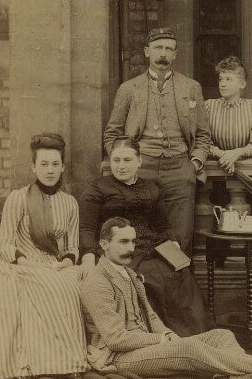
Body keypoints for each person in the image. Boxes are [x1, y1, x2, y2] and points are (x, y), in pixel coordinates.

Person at [81, 217, 252, 379]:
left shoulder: (128, 273)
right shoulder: (97, 283)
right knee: (191, 348)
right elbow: (116, 340)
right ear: (104, 244)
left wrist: (168, 335)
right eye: (123, 242)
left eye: (133, 241)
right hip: (120, 358)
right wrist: (161, 340)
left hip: (145, 346)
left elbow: (152, 316)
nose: (131, 247)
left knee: (222, 335)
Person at [0, 133, 89, 379]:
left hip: (55, 264)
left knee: (71, 284)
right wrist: (29, 265)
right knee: (46, 286)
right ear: (33, 167)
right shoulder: (18, 198)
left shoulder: (70, 203)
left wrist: (65, 264)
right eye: (44, 164)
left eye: (55, 164)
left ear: (63, 167)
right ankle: (36, 364)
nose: (50, 170)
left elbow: (71, 247)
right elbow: (5, 243)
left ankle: (66, 362)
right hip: (21, 263)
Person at [78, 137, 213, 337]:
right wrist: (88, 254)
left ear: (139, 161)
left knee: (181, 277)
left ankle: (194, 341)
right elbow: (87, 228)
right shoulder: (98, 189)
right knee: (146, 281)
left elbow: (163, 225)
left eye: (127, 160)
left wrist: (173, 243)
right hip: (121, 251)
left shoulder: (151, 188)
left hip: (155, 248)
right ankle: (160, 341)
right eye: (116, 161)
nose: (121, 166)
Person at [103, 27, 211, 255]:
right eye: (158, 48)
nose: (163, 53)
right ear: (146, 52)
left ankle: (177, 284)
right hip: (141, 170)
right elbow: (112, 133)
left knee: (180, 234)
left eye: (168, 49)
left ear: (175, 54)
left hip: (179, 168)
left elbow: (203, 134)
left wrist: (194, 165)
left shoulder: (191, 88)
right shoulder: (129, 89)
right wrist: (124, 162)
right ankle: (144, 285)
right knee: (140, 230)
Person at [204, 56, 252, 174]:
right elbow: (202, 141)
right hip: (216, 171)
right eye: (221, 79)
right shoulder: (209, 106)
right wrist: (224, 155)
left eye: (228, 79)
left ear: (242, 84)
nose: (222, 84)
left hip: (248, 171)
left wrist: (236, 153)